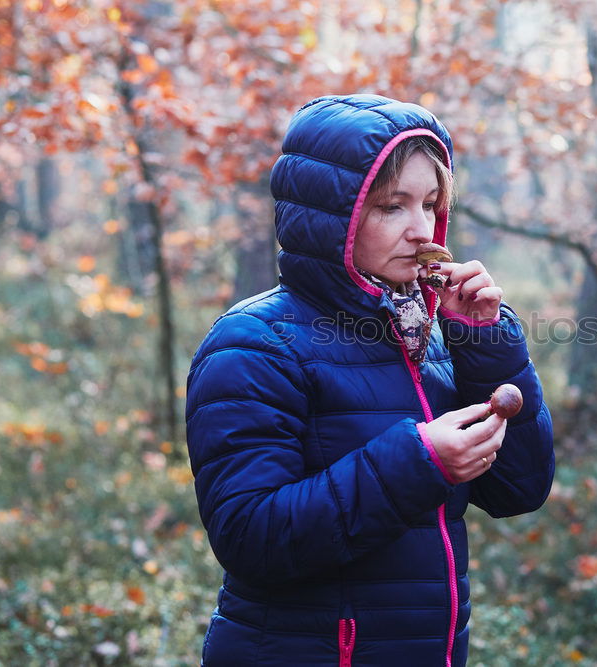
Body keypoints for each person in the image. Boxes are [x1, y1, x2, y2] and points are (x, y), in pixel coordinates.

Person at [185, 94, 555, 666]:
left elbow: (519, 489)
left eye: (431, 203)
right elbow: (250, 538)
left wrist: (484, 341)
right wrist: (419, 463)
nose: (422, 230)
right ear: (333, 219)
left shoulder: (427, 336)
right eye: (391, 207)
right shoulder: (254, 344)